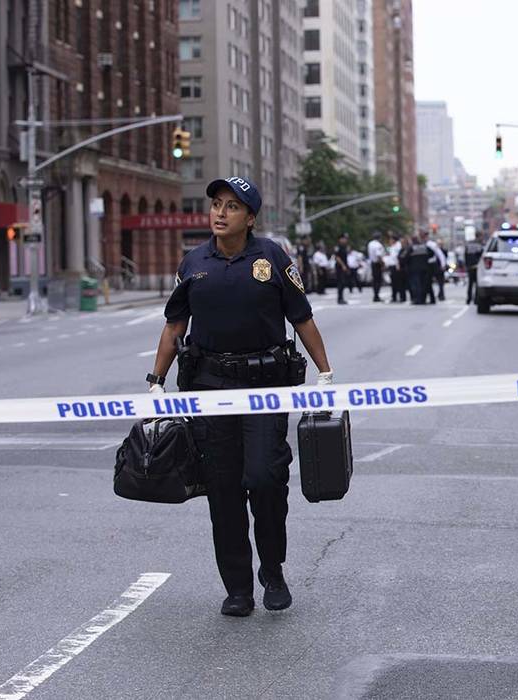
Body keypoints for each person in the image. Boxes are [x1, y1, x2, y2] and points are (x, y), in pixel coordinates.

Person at [148, 175, 334, 617]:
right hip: (209, 389)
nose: (219, 212)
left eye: (232, 207)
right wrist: (156, 379)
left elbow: (302, 318)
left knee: (265, 478)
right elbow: (175, 326)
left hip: (264, 388)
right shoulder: (193, 262)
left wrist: (326, 373)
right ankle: (237, 587)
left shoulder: (271, 257)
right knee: (223, 488)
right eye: (216, 204)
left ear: (250, 218)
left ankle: (272, 568)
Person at [464, 232, 484, 304]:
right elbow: (482, 256)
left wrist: (466, 265)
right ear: (479, 236)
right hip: (477, 266)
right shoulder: (480, 245)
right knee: (477, 284)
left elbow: (465, 255)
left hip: (470, 266)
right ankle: (476, 299)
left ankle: (468, 299)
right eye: (481, 237)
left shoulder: (469, 244)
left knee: (470, 284)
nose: (482, 238)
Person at [367, 232, 386, 302]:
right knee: (378, 280)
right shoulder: (378, 245)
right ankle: (376, 295)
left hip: (372, 263)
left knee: (375, 280)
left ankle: (375, 294)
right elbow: (378, 256)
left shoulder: (370, 243)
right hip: (377, 264)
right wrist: (382, 264)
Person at [427, 236, 447, 302]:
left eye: (440, 244)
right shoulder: (434, 249)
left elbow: (443, 258)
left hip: (440, 268)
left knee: (441, 282)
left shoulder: (444, 250)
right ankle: (437, 295)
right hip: (434, 267)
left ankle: (441, 295)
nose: (439, 245)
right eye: (438, 243)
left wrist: (443, 266)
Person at [334, 235, 350, 304]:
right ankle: (339, 299)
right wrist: (343, 265)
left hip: (344, 267)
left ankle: (341, 298)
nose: (345, 240)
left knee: (343, 283)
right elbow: (337, 257)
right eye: (344, 239)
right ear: (340, 239)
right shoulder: (338, 247)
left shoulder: (344, 247)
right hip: (340, 268)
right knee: (340, 283)